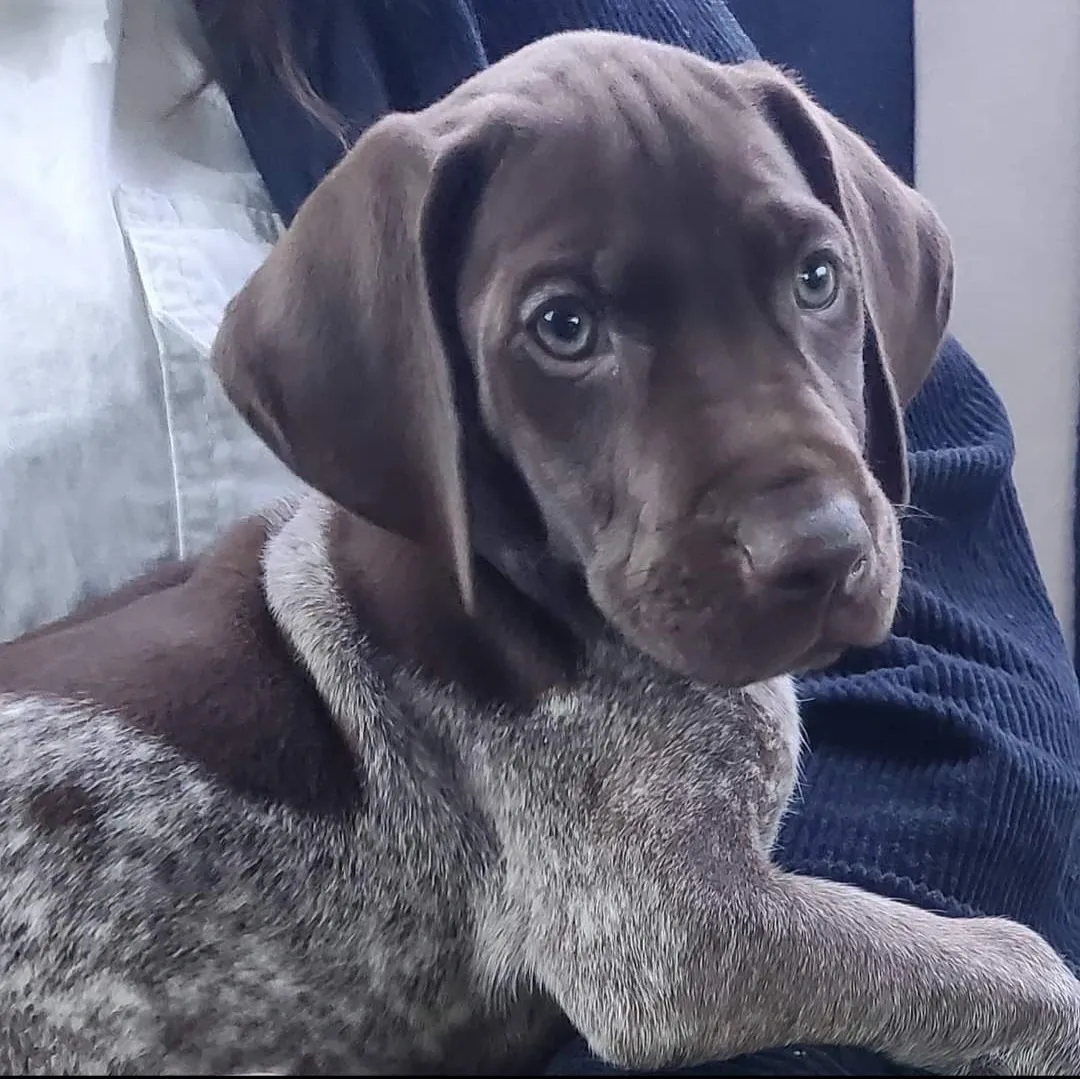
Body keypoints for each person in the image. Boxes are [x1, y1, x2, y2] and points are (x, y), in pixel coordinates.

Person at [1, 1, 1078, 1074]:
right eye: (565, 324)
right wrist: (1032, 999)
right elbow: (667, 966)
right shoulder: (496, 658)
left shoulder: (624, 82)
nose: (806, 523)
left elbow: (965, 673)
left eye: (813, 276)